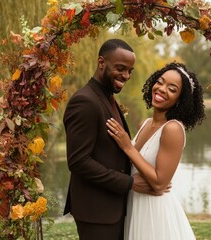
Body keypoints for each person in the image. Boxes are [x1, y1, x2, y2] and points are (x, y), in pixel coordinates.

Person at [63, 39, 158, 240]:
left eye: (130, 71)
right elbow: (78, 161)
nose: (126, 76)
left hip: (111, 208)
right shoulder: (85, 101)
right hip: (96, 211)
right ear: (101, 63)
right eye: (121, 68)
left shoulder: (106, 97)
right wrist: (130, 183)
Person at [106, 62, 206, 240]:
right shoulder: (145, 124)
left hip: (155, 211)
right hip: (135, 204)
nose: (161, 89)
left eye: (172, 89)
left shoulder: (173, 129)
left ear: (180, 100)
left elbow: (160, 183)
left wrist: (127, 146)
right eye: (160, 81)